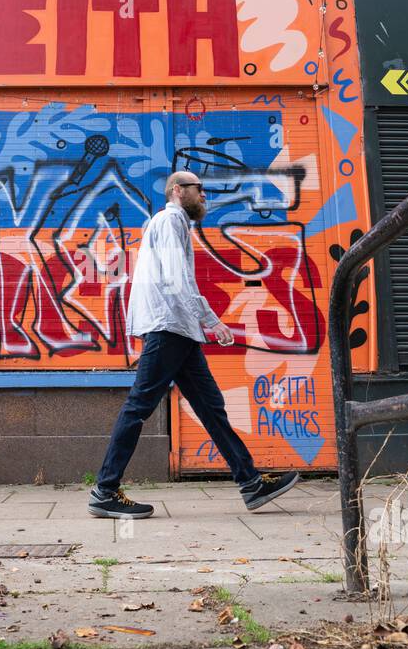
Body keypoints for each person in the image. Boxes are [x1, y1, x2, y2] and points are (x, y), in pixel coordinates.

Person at [88, 170, 300, 519]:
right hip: (168, 327)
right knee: (139, 406)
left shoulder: (174, 224)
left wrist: (202, 321)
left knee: (211, 407)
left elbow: (179, 280)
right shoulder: (170, 221)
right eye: (198, 189)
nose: (204, 195)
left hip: (180, 330)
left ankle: (250, 483)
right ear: (177, 190)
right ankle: (105, 490)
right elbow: (177, 280)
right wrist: (212, 321)